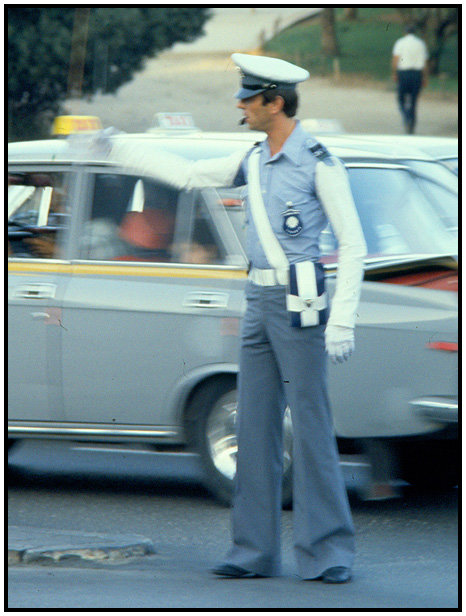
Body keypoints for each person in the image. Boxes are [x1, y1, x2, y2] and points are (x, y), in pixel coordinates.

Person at [108, 53, 367, 584]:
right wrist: (116, 147)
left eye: (249, 98)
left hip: (301, 307)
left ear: (276, 102)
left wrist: (342, 320)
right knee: (254, 428)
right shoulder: (252, 159)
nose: (240, 105)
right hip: (257, 302)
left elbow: (353, 244)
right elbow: (188, 175)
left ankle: (329, 552)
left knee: (312, 429)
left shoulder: (319, 162)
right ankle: (253, 552)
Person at [392, 25, 429, 134]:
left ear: (405, 32)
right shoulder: (420, 44)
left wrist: (394, 73)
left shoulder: (400, 42)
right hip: (417, 74)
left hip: (404, 73)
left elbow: (396, 59)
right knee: (413, 100)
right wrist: (425, 77)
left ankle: (406, 116)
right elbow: (425, 62)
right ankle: (411, 122)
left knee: (400, 98)